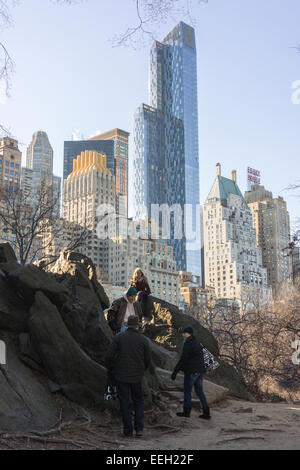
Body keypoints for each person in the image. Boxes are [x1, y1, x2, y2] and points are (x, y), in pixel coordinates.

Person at [104, 315, 152, 438]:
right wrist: (142, 370)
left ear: (127, 325)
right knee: (138, 402)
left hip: (121, 376)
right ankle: (139, 429)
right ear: (137, 326)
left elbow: (109, 356)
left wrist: (112, 369)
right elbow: (148, 360)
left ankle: (127, 430)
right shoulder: (143, 340)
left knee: (124, 401)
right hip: (137, 376)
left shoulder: (118, 337)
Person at [171, 325, 210, 420]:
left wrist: (175, 371)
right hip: (200, 371)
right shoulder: (197, 342)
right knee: (199, 391)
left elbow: (183, 359)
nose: (183, 335)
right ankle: (206, 412)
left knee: (187, 392)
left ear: (188, 334)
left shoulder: (188, 344)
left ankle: (186, 412)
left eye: (184, 333)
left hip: (191, 372)